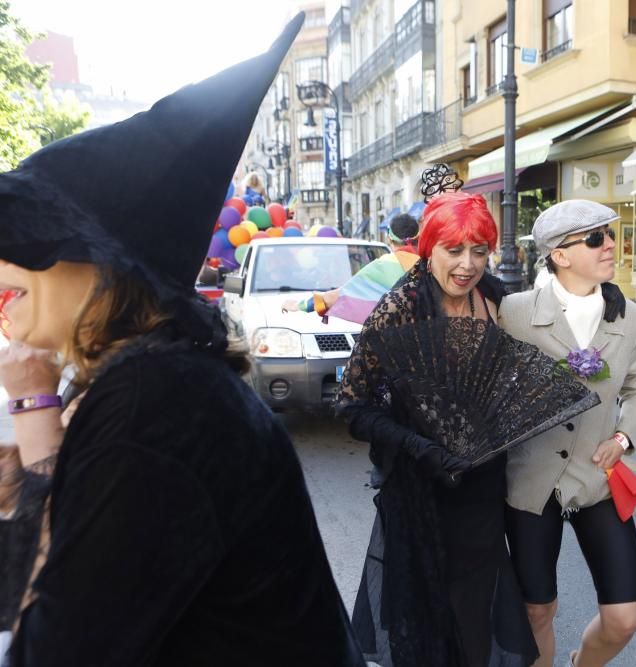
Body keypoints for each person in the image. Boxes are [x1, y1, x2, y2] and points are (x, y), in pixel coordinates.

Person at [0, 13, 365, 666]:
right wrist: (34, 462)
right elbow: (26, 591)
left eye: (20, 233)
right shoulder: (142, 383)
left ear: (102, 258)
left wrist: (35, 445)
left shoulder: (157, 403)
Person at [335, 191, 539, 667]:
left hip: (482, 483)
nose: (468, 265)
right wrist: (419, 446)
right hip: (419, 490)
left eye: (480, 251)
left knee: (474, 610)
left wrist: (602, 295)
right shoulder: (400, 307)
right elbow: (352, 407)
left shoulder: (493, 298)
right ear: (429, 250)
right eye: (454, 250)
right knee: (425, 616)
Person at [501, 200, 636, 667]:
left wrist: (623, 438)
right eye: (595, 238)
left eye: (609, 234)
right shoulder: (515, 312)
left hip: (597, 481)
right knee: (537, 609)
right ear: (560, 255)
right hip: (532, 485)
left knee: (624, 618)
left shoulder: (629, 315)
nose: (609, 245)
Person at [282, 212, 421, 323]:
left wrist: (302, 305)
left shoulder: (383, 266)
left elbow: (341, 295)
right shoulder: (431, 262)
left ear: (389, 239)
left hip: (400, 346)